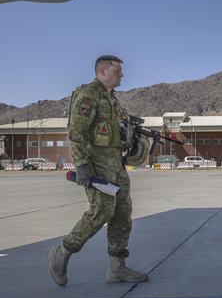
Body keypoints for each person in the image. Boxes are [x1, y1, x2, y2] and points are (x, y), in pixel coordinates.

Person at [48, 55, 148, 286]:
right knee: (101, 211)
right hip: (97, 167)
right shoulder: (89, 94)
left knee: (122, 215)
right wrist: (82, 164)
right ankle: (62, 252)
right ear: (102, 72)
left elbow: (118, 133)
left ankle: (117, 268)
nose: (122, 75)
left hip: (117, 166)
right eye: (117, 71)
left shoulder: (113, 101)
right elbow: (77, 132)